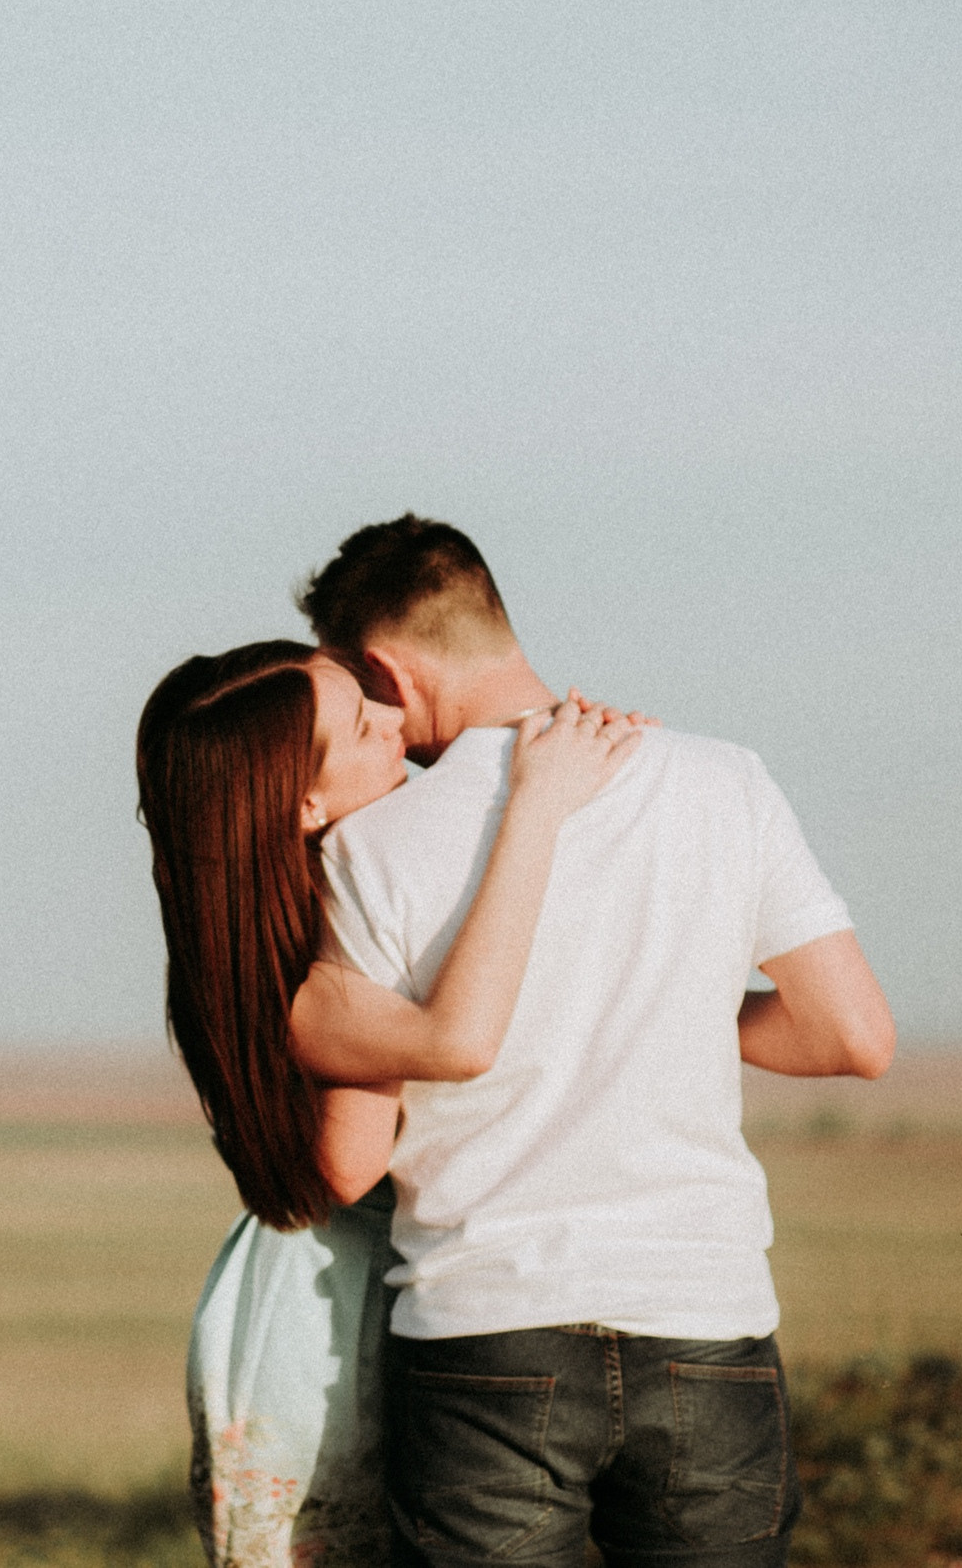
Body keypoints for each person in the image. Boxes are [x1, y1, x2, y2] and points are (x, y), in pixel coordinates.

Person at [298, 515, 894, 1568]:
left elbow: (355, 1141)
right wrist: (661, 992)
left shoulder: (367, 849)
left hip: (484, 1330)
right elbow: (849, 1034)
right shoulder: (724, 781)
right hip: (704, 1314)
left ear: (385, 668)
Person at [137, 641, 648, 1568]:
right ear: (305, 802)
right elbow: (349, 1156)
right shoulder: (311, 969)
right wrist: (537, 802)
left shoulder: (268, 924)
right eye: (362, 726)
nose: (395, 724)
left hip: (305, 1295)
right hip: (335, 1319)